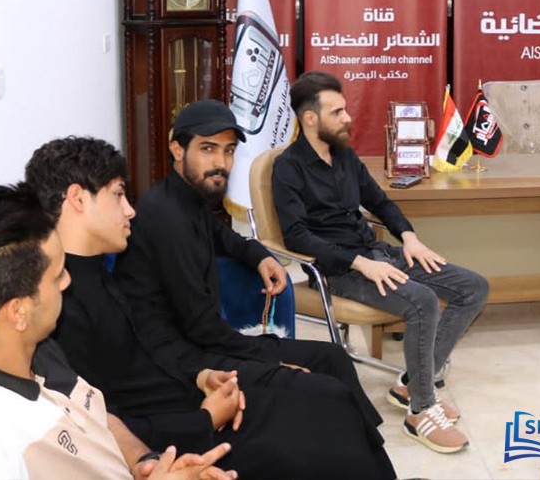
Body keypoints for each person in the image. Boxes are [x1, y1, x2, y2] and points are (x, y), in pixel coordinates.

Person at [24, 136, 397, 479]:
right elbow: (100, 424)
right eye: (119, 195)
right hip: (178, 433)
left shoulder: (98, 271)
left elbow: (152, 349)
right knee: (320, 425)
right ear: (77, 199)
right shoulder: (57, 304)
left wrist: (202, 377)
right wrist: (204, 419)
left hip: (193, 392)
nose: (130, 210)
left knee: (329, 395)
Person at [0, 184, 235, 480]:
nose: (68, 282)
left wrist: (146, 463)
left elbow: (97, 416)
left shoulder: (38, 350)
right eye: (57, 276)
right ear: (18, 312)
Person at [112, 100, 382, 430]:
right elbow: (200, 326)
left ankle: (368, 441)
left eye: (228, 151)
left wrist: (260, 256)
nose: (220, 163)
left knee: (333, 356)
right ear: (177, 150)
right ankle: (360, 442)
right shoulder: (166, 218)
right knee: (319, 386)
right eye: (207, 149)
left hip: (205, 340)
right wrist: (271, 359)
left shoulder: (188, 196)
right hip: (183, 359)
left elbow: (222, 236)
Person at [272, 71, 489, 454]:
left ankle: (411, 385)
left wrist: (409, 237)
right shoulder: (288, 167)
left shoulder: (344, 155)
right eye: (337, 112)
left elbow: (379, 201)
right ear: (310, 118)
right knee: (422, 302)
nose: (347, 118)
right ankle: (421, 410)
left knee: (473, 288)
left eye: (345, 109)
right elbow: (297, 237)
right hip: (339, 270)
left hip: (380, 254)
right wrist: (359, 263)